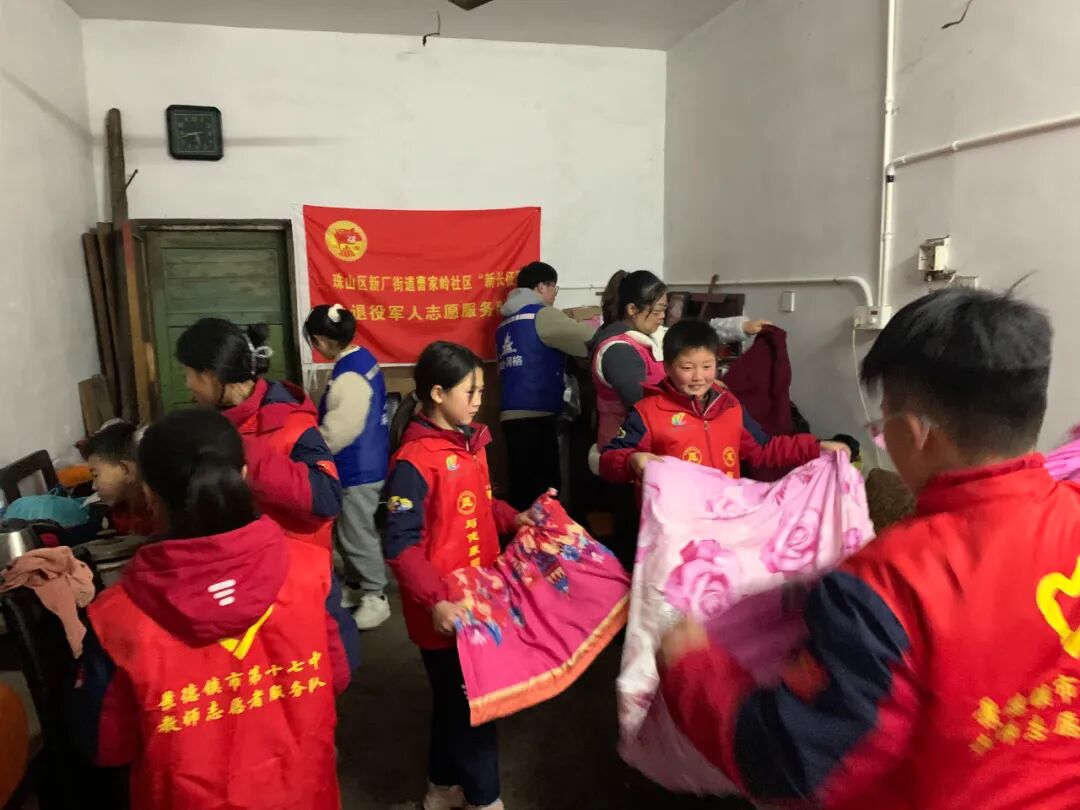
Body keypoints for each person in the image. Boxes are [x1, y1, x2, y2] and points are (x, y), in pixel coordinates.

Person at [658, 287, 1080, 809]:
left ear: (915, 434)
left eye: (883, 428)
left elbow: (790, 764)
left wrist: (692, 668)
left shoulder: (885, 585)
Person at [73, 409, 359, 810]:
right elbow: (339, 673)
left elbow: (107, 745)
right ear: (244, 475)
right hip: (303, 793)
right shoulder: (311, 573)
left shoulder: (116, 618)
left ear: (150, 494)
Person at [382, 341, 533, 810]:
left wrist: (515, 518)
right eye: (470, 391)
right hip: (447, 610)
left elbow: (482, 505)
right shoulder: (415, 461)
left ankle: (441, 788)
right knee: (474, 708)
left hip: (478, 598)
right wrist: (437, 601)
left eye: (481, 390)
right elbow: (399, 542)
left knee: (454, 701)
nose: (478, 400)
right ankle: (485, 800)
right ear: (437, 393)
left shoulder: (471, 444)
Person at [599, 319, 843, 483]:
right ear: (668, 368)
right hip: (673, 528)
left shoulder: (729, 406)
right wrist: (632, 460)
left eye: (707, 366)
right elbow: (609, 460)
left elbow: (764, 449)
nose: (699, 377)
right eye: (687, 368)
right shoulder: (648, 412)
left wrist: (816, 447)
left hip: (723, 518)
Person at [176, 318, 342, 549]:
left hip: (292, 564)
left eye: (188, 374)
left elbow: (328, 499)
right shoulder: (211, 423)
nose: (188, 384)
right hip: (240, 559)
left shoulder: (291, 422)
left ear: (211, 375)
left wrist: (239, 451)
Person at [304, 304, 392, 630]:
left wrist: (313, 450)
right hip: (368, 460)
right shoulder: (362, 359)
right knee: (350, 531)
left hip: (357, 467)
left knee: (357, 534)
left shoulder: (349, 375)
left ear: (319, 340)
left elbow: (341, 430)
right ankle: (356, 588)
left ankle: (375, 596)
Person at [496, 261, 595, 510]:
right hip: (537, 411)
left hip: (509, 412)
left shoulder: (505, 323)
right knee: (546, 490)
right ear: (542, 286)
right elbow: (588, 340)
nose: (554, 295)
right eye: (554, 288)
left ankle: (521, 534)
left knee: (521, 488)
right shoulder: (542, 314)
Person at [83, 421, 157, 536]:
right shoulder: (116, 513)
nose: (93, 487)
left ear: (125, 469)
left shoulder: (160, 513)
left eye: (96, 475)